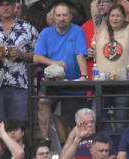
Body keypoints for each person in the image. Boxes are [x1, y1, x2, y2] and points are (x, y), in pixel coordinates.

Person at [33, 2, 88, 139]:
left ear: (70, 16)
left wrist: (83, 76)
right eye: (58, 15)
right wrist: (54, 63)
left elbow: (80, 55)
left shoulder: (77, 30)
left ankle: (74, 150)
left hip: (72, 82)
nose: (62, 18)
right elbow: (36, 57)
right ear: (53, 17)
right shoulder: (46, 33)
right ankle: (45, 140)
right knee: (43, 101)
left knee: (70, 120)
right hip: (53, 81)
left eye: (65, 15)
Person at [91, 0, 129, 132]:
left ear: (124, 18)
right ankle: (109, 146)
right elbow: (93, 6)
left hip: (123, 86)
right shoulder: (100, 30)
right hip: (102, 85)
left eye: (118, 16)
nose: (115, 18)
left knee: (121, 123)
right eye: (112, 15)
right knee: (97, 118)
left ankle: (120, 151)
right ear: (108, 17)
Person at [0, 0, 38, 124]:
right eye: (1, 5)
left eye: (8, 4)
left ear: (14, 6)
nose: (5, 8)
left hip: (20, 83)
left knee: (19, 125)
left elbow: (39, 54)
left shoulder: (27, 27)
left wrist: (22, 55)